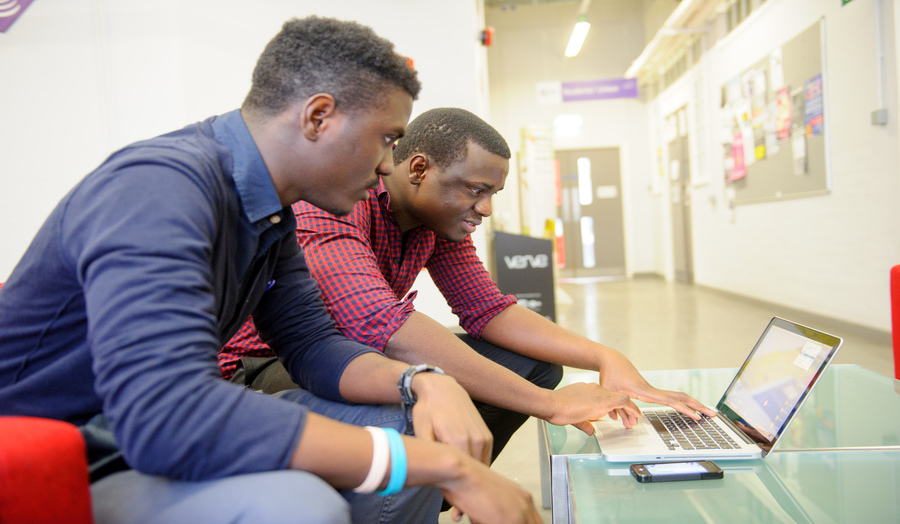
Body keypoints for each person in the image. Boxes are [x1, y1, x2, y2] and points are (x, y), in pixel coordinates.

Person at [0, 18, 546, 524]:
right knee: (299, 504)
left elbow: (312, 344)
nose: (387, 165)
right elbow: (167, 415)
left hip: (138, 430)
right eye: (385, 139)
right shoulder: (159, 188)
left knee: (415, 423)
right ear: (318, 117)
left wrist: (421, 381)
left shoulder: (270, 213)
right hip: (67, 451)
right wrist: (438, 465)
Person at [222, 107, 716, 462]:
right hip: (267, 364)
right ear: (418, 169)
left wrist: (604, 356)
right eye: (476, 190)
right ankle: (430, 484)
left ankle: (446, 487)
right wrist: (552, 406)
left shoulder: (438, 223)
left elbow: (489, 310)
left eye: (493, 193)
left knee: (535, 364)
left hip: (361, 350)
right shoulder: (335, 203)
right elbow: (382, 325)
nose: (485, 208)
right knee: (413, 396)